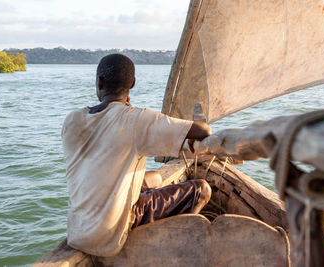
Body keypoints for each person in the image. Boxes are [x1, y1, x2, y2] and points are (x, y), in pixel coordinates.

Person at [62, 54, 212, 257]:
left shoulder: (72, 120)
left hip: (77, 233)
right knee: (201, 189)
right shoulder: (135, 119)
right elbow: (203, 131)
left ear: (99, 82)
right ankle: (173, 248)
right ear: (132, 84)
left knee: (155, 178)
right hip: (108, 236)